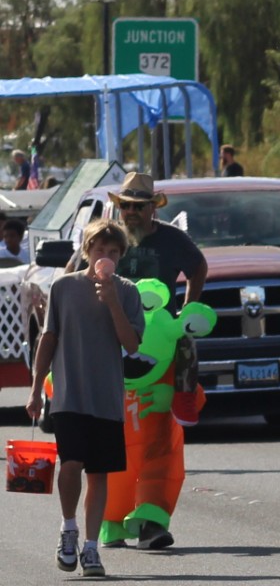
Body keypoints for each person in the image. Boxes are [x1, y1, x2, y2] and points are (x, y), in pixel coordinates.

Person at [25, 220, 144, 579]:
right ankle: (68, 528)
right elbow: (48, 338)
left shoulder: (128, 292)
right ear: (88, 250)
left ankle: (91, 547)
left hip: (106, 396)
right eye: (99, 250)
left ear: (121, 256)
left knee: (99, 473)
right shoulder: (64, 287)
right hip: (68, 394)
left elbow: (132, 344)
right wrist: (35, 389)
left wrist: (112, 301)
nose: (105, 256)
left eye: (113, 252)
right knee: (71, 463)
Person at [103, 171, 208, 550]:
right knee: (110, 436)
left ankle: (150, 521)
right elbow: (74, 272)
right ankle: (110, 518)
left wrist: (187, 308)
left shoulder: (172, 239)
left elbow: (198, 267)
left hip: (160, 348)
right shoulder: (108, 239)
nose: (130, 212)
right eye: (125, 206)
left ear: (153, 208)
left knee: (162, 435)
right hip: (111, 347)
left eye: (138, 206)